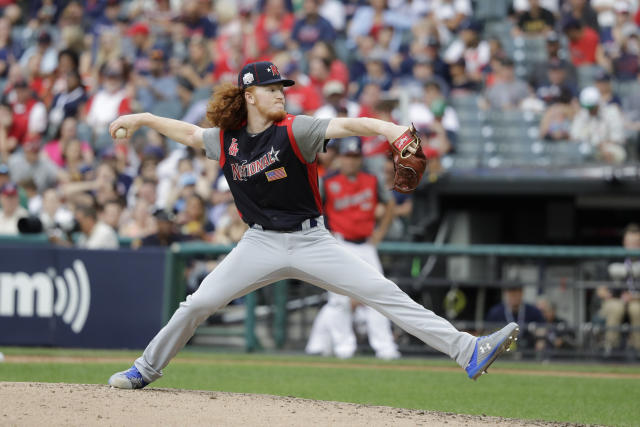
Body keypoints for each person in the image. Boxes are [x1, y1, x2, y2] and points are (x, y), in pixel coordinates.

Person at [107, 61, 519, 389]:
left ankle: (470, 351)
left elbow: (350, 125)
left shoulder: (296, 129)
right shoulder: (228, 139)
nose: (280, 94)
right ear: (249, 95)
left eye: (282, 87)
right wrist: (142, 117)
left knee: (384, 292)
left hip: (312, 241)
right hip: (259, 244)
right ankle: (145, 369)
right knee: (197, 304)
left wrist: (391, 129)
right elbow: (191, 133)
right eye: (271, 88)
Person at [305, 137, 400, 360]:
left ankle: (385, 347)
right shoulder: (328, 180)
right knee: (338, 299)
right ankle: (343, 347)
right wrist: (324, 235)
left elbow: (390, 205)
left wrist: (380, 233)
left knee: (379, 294)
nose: (351, 161)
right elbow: (313, 208)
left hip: (366, 244)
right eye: (347, 156)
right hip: (340, 242)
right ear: (340, 158)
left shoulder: (371, 179)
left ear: (361, 158)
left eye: (355, 156)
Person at [597, 223, 640, 356]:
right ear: (624, 242)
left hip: (637, 299)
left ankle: (638, 349)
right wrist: (605, 294)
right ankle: (611, 350)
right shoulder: (614, 257)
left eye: (636, 242)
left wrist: (634, 297)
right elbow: (600, 289)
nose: (632, 246)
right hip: (615, 300)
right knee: (616, 307)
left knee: (636, 308)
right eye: (629, 242)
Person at [486, 285, 545, 350]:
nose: (514, 296)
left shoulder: (533, 311)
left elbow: (542, 329)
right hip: (503, 352)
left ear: (522, 293)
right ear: (506, 294)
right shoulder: (496, 312)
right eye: (511, 293)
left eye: (517, 293)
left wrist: (540, 340)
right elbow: (488, 334)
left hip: (528, 351)